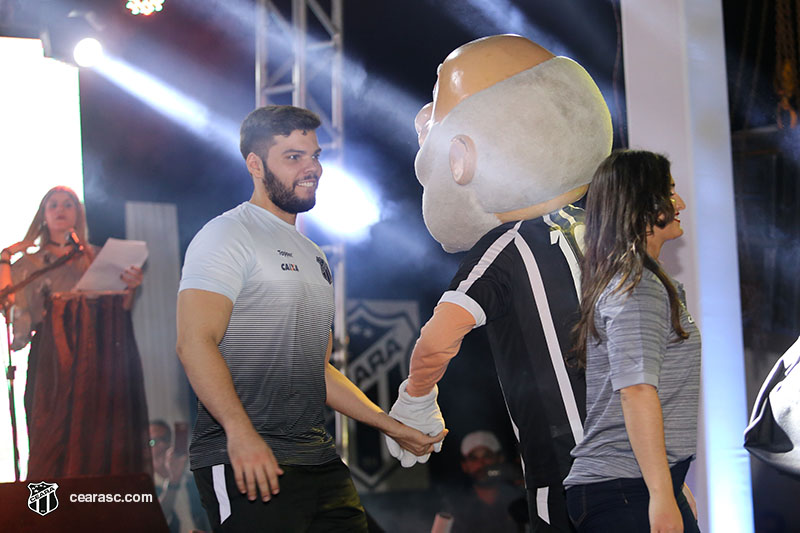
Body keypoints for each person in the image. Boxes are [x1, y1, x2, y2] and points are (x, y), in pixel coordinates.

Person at [176, 105, 446, 532]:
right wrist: (241, 436)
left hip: (318, 461)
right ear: (255, 164)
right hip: (247, 462)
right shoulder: (226, 234)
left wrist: (389, 426)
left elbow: (316, 371)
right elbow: (194, 343)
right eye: (293, 157)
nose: (312, 168)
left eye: (315, 155)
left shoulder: (314, 255)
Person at [385, 35, 613, 532]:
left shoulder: (510, 246)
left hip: (570, 467)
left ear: (463, 157)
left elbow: (438, 337)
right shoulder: (604, 230)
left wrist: (417, 399)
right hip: (636, 457)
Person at [563, 150, 701, 532]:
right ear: (640, 204)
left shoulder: (645, 281)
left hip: (636, 484)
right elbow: (636, 392)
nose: (681, 204)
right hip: (623, 491)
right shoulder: (637, 286)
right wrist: (660, 493)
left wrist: (672, 484)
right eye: (669, 193)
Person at [0, 185, 143, 417]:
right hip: (49, 355)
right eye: (53, 205)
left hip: (93, 352)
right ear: (43, 215)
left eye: (68, 204)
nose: (61, 210)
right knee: (50, 425)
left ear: (78, 214)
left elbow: (122, 308)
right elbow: (6, 303)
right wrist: (5, 256)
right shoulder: (29, 264)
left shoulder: (95, 257)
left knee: (93, 426)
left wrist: (132, 286)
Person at [442, 430, 527, 533]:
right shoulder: (454, 507)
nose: (481, 463)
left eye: (487, 456)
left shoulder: (520, 496)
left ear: (500, 458)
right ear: (464, 465)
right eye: (474, 458)